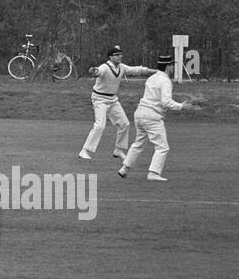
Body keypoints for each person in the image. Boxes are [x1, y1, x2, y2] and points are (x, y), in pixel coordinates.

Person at [117, 52, 198, 182]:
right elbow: (166, 101)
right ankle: (153, 173)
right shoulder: (165, 81)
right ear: (168, 66)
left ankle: (124, 169)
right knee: (162, 147)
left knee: (138, 143)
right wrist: (181, 106)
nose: (173, 67)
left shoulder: (152, 78)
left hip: (140, 113)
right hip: (152, 116)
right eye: (172, 65)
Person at [79, 45, 160, 161]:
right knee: (100, 125)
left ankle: (118, 150)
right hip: (99, 99)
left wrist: (155, 71)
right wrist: (94, 71)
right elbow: (98, 71)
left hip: (112, 100)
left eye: (120, 55)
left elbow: (136, 70)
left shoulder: (122, 67)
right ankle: (84, 151)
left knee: (124, 124)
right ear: (110, 57)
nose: (120, 57)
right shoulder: (105, 67)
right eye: (117, 55)